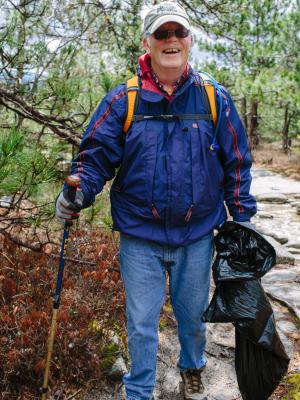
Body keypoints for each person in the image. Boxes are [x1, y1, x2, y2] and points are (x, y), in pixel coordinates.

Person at [56, 2, 257, 399]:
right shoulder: (123, 101)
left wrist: (243, 219)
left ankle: (192, 366)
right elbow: (95, 158)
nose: (171, 40)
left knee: (193, 319)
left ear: (189, 41)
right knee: (143, 322)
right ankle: (141, 389)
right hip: (140, 238)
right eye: (161, 34)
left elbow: (237, 162)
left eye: (178, 33)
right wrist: (78, 193)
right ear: (147, 42)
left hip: (196, 237)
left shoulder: (214, 99)